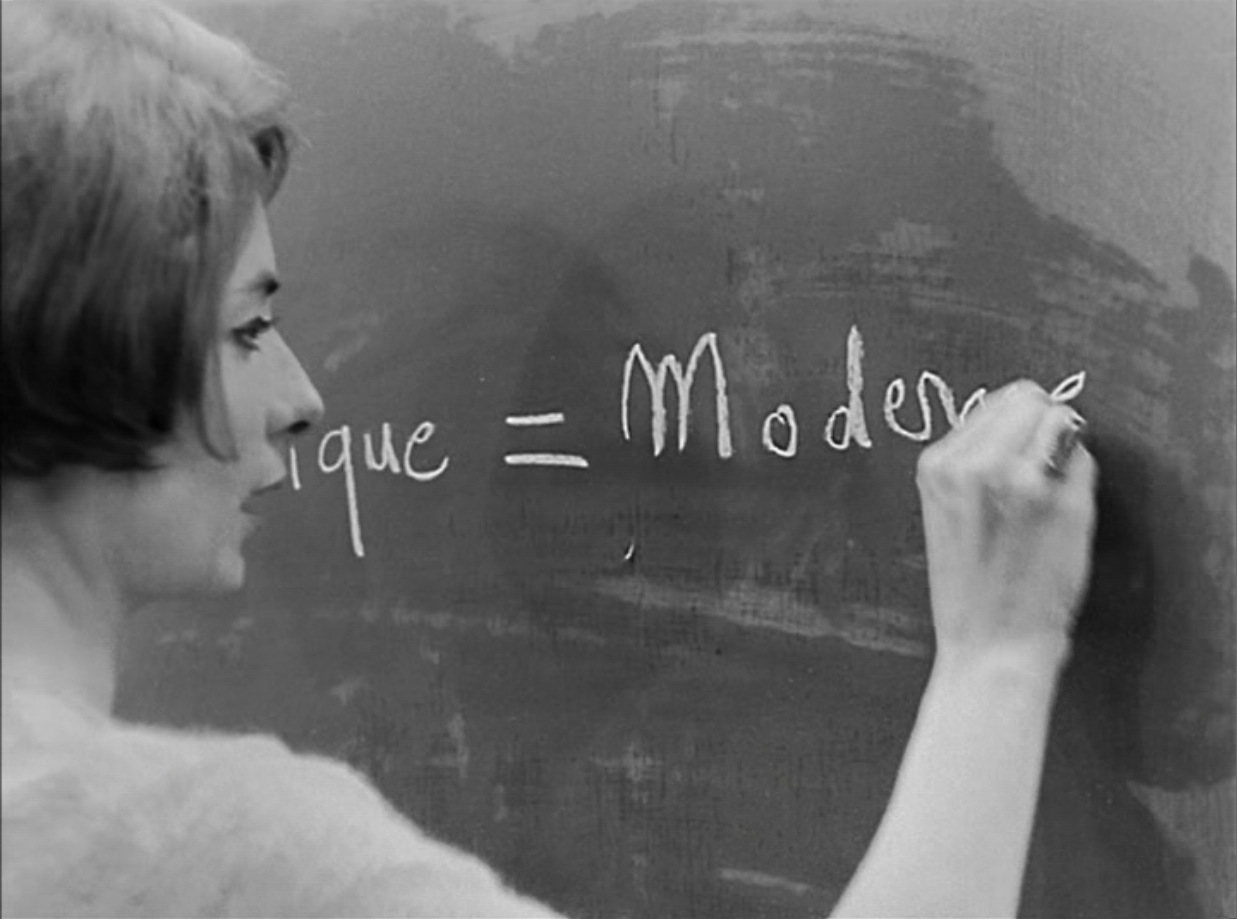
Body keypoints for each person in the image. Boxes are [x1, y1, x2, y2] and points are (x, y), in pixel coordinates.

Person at [0, 2, 1097, 917]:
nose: (301, 399)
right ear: (84, 347)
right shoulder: (223, 862)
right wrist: (997, 657)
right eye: (246, 329)